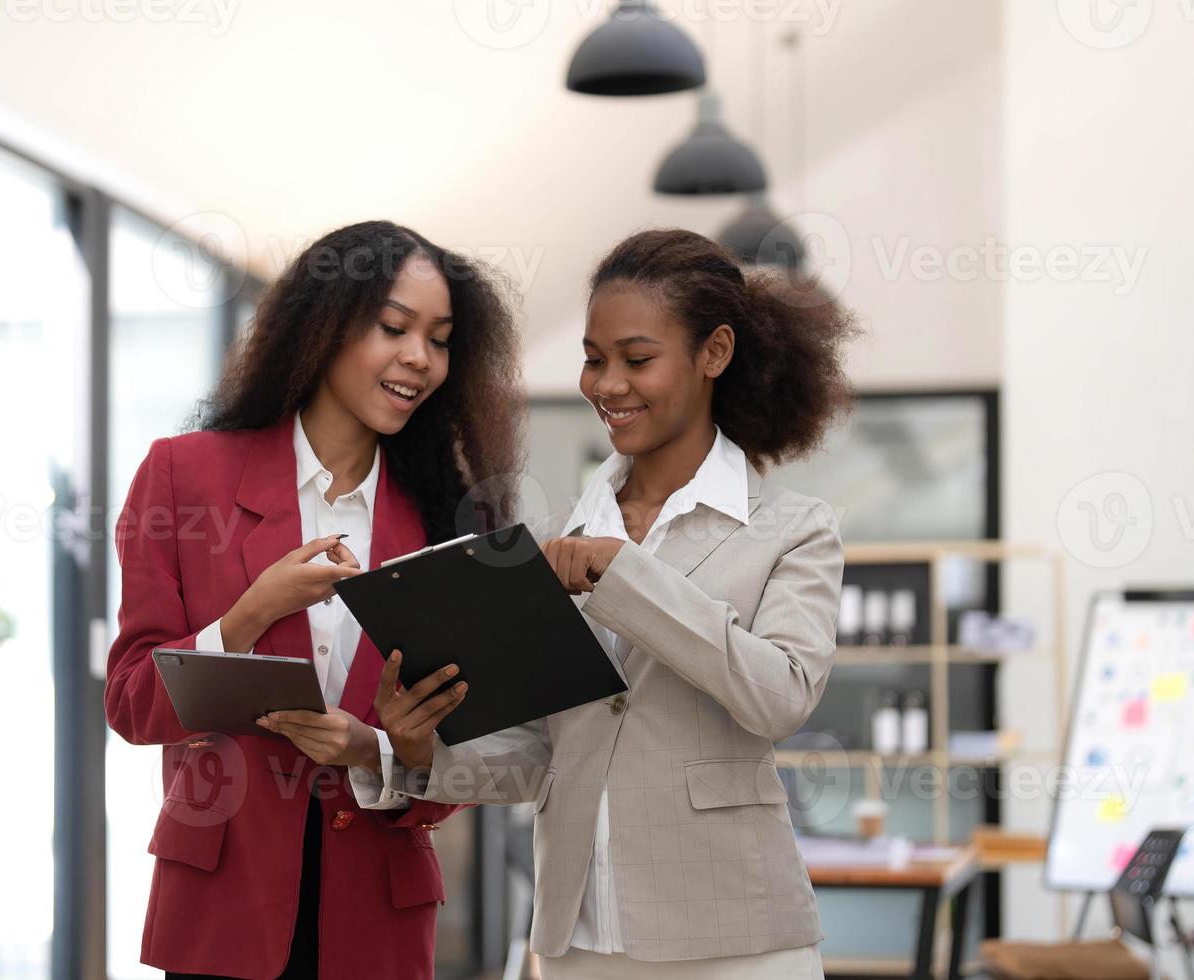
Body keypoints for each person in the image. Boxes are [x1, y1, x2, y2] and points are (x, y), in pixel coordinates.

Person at [367, 228, 859, 978]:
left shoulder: (792, 531)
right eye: (594, 359)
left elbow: (779, 697)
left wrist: (624, 577)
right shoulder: (550, 538)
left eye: (636, 359)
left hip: (738, 940)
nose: (607, 384)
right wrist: (422, 751)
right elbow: (540, 757)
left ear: (714, 353)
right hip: (578, 941)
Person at [105, 219, 525, 979]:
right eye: (394, 327)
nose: (418, 360)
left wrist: (385, 752)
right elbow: (133, 703)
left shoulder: (451, 522)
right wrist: (250, 615)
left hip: (376, 925)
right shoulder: (183, 477)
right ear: (324, 325)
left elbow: (469, 759)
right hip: (223, 915)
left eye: (439, 339)